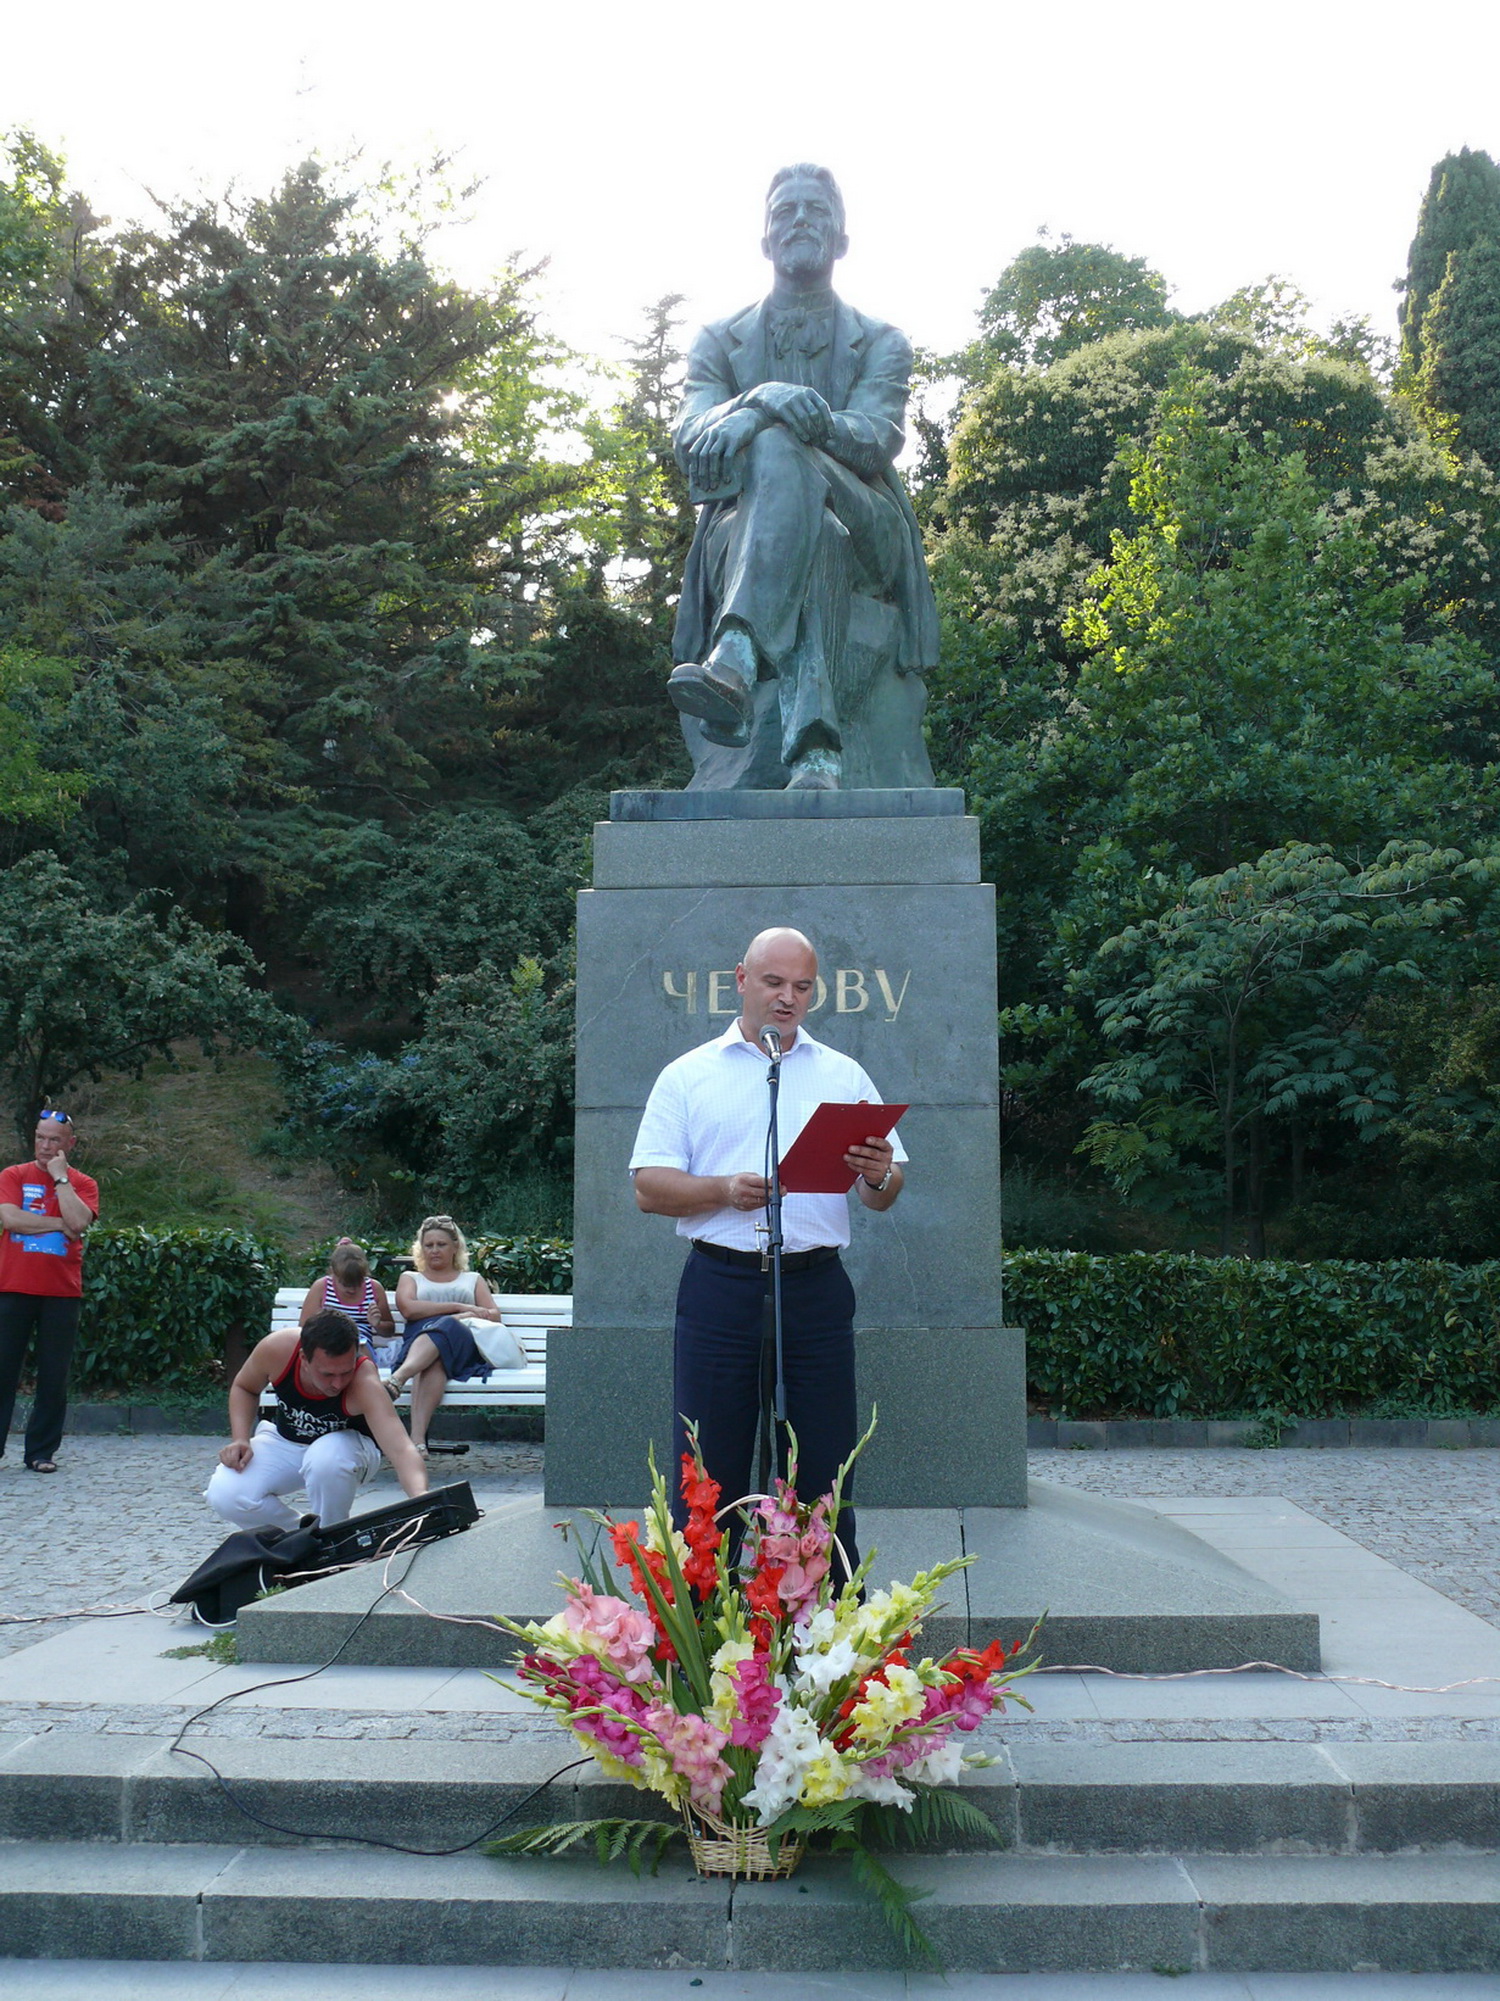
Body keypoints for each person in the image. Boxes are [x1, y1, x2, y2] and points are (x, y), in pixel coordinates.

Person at [629, 927, 906, 1572]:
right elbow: (647, 1186)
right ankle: (702, 1640)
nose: (788, 998)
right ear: (741, 980)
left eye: (802, 987)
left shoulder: (843, 1074)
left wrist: (877, 1171)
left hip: (813, 1288)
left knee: (823, 1468)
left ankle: (827, 1645)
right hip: (720, 1288)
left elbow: (884, 1194)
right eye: (774, 983)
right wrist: (723, 1190)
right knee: (709, 1472)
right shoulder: (689, 1075)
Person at [668, 163, 939, 791]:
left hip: (867, 519)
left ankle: (737, 651)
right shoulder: (717, 340)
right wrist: (762, 399)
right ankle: (815, 752)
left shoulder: (881, 341)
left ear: (842, 239)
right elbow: (689, 433)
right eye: (785, 210)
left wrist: (781, 421)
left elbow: (877, 437)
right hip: (738, 536)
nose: (800, 220)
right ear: (764, 239)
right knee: (816, 535)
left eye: (816, 210)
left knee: (781, 451)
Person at [206, 1307, 427, 1531]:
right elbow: (245, 1387)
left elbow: (401, 1449)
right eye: (327, 1374)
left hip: (348, 1450)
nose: (338, 1384)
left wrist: (422, 1499)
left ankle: (333, 1532)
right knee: (226, 1492)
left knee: (326, 1457)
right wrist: (241, 1439)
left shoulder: (364, 1381)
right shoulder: (278, 1349)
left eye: (346, 1372)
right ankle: (305, 1537)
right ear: (304, 1357)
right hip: (287, 1441)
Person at [0, 1109, 99, 1474]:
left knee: (54, 1376)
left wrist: (60, 1180)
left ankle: (41, 1453)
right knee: (2, 1370)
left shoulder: (83, 1183)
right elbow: (11, 1219)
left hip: (61, 1293)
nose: (45, 1145)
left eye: (54, 1139)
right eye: (41, 1137)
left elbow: (80, 1221)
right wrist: (58, 1223)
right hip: (11, 1287)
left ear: (69, 1143)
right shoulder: (13, 1175)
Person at [384, 1216, 507, 1455]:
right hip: (420, 1346)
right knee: (435, 1358)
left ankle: (397, 1379)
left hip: (462, 1345)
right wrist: (459, 1308)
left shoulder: (472, 1280)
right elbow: (409, 1309)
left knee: (448, 1328)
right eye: (428, 1245)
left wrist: (459, 1318)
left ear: (455, 1247)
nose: (434, 1250)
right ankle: (417, 1441)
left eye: (441, 1244)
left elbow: (494, 1315)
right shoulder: (410, 1278)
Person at [299, 1238, 396, 1365]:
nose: (352, 1289)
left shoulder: (374, 1288)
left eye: (357, 1283)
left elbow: (389, 1330)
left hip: (360, 1343)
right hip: (327, 1341)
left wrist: (377, 1324)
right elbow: (304, 1328)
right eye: (345, 1284)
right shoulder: (322, 1287)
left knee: (358, 1349)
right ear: (334, 1273)